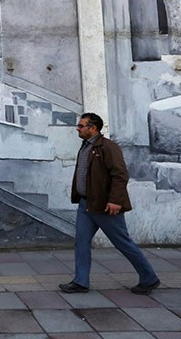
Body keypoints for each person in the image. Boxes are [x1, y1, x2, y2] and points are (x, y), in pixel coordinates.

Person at [59, 113, 159, 295]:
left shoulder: (108, 147)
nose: (78, 128)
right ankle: (81, 281)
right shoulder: (85, 147)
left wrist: (115, 200)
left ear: (93, 128)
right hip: (85, 205)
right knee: (81, 242)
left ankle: (149, 278)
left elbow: (120, 175)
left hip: (105, 206)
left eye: (81, 126)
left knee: (123, 243)